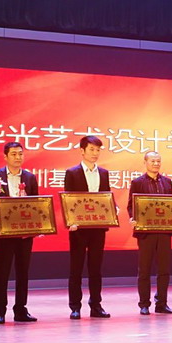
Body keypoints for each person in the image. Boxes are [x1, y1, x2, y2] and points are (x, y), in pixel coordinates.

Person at [0, 142, 38, 324]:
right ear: (5, 156)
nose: (18, 157)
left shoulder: (30, 177)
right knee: (2, 271)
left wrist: (38, 227)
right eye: (13, 154)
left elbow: (36, 203)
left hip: (24, 233)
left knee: (23, 272)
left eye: (20, 153)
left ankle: (20, 310)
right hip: (3, 231)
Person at [127, 151, 172, 315]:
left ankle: (162, 303)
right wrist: (133, 218)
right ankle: (144, 304)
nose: (156, 164)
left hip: (164, 231)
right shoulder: (137, 182)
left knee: (164, 270)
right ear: (145, 162)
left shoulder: (167, 182)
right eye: (153, 161)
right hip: (145, 233)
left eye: (158, 161)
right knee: (144, 270)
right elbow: (131, 205)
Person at [65, 136, 111, 319]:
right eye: (92, 149)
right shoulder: (72, 173)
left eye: (98, 150)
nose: (95, 153)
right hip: (78, 228)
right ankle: (75, 306)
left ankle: (96, 305)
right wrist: (71, 221)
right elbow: (68, 199)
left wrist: (112, 209)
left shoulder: (104, 173)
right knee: (76, 268)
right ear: (82, 151)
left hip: (98, 227)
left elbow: (106, 197)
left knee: (96, 269)